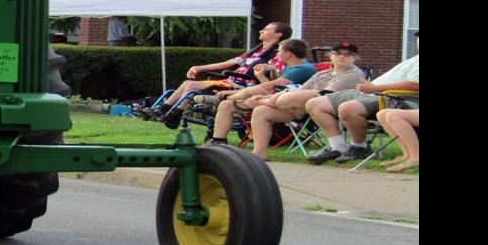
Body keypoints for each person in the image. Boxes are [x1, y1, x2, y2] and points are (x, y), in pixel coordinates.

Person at [145, 22, 290, 129]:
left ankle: (174, 114)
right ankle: (165, 109)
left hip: (241, 87)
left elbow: (274, 79)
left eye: (266, 29)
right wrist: (199, 68)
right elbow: (229, 62)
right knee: (187, 83)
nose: (261, 31)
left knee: (191, 85)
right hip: (229, 82)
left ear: (278, 35)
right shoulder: (255, 52)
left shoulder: (277, 55)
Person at [239, 41, 366, 161]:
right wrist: (266, 98)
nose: (341, 57)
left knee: (289, 97)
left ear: (354, 58)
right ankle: (259, 153)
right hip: (301, 107)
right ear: (331, 56)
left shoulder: (354, 74)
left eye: (347, 55)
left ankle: (259, 101)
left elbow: (323, 93)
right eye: (337, 54)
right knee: (262, 111)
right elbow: (300, 89)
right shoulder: (322, 74)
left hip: (329, 108)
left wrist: (267, 99)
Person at [307, 33, 419, 164]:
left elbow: (415, 85)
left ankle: (359, 147)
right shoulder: (414, 59)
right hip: (368, 91)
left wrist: (375, 89)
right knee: (315, 104)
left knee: (348, 108)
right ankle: (337, 147)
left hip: (391, 96)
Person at [204, 38, 316, 145]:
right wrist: (267, 72)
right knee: (226, 105)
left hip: (294, 107)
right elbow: (275, 87)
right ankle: (218, 140)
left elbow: (273, 85)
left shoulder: (303, 68)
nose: (277, 54)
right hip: (277, 99)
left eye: (279, 51)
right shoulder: (291, 67)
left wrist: (232, 93)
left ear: (288, 54)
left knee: (257, 89)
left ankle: (218, 99)